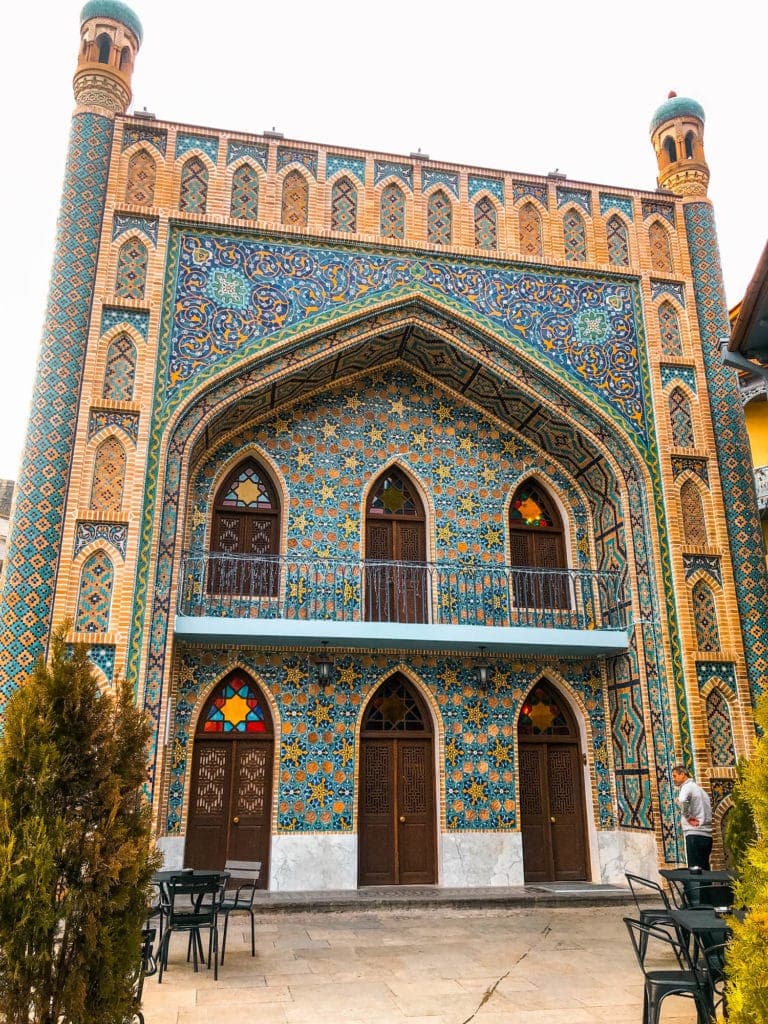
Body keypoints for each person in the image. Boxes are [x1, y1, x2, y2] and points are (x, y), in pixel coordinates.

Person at [671, 764, 713, 869]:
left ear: (683, 774)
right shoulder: (701, 790)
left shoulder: (687, 787)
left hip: (694, 835)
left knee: (695, 872)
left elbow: (682, 800)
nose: (674, 779)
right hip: (707, 836)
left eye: (675, 776)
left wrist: (688, 817)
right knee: (705, 871)